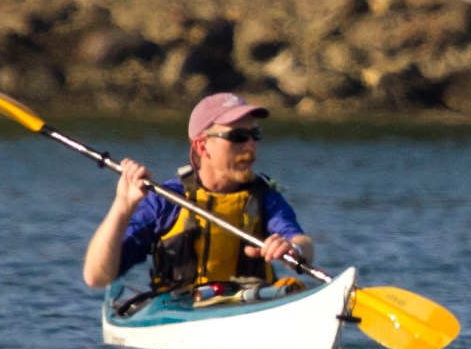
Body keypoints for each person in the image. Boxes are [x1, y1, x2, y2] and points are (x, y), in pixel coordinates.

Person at [81, 92, 315, 300]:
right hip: (180, 313)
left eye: (255, 134)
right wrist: (123, 206)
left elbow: (301, 242)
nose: (251, 145)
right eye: (239, 136)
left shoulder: (265, 197)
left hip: (247, 303)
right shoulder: (166, 199)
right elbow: (97, 277)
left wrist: (294, 251)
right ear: (203, 147)